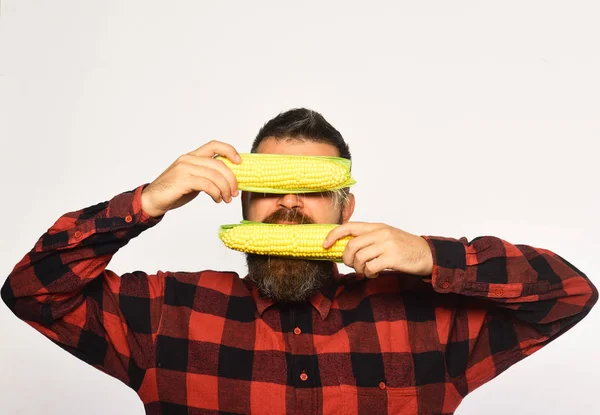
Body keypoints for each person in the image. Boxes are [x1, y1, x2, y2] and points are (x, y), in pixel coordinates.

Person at [2, 108, 597, 415]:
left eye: (311, 188)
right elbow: (31, 290)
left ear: (347, 208)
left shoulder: (429, 318)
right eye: (271, 187)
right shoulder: (165, 314)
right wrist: (145, 202)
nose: (289, 203)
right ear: (242, 199)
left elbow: (570, 294)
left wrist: (430, 257)